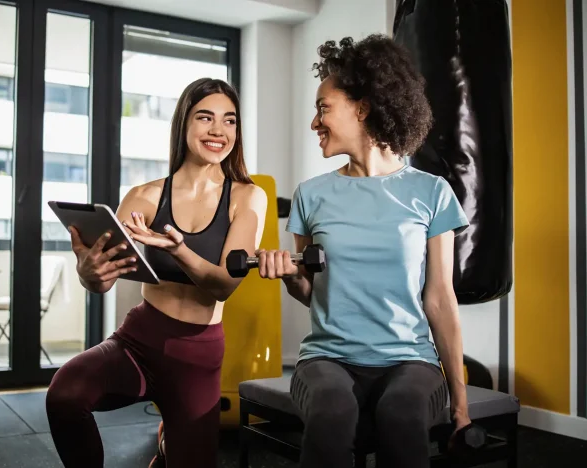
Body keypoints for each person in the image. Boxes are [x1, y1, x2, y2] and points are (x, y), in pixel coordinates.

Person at [256, 35, 471, 468]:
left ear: (364, 107)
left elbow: (440, 298)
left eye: (323, 108)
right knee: (333, 412)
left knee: (402, 414)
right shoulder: (310, 195)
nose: (314, 123)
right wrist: (288, 276)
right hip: (327, 358)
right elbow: (311, 289)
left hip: (410, 359)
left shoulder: (431, 192)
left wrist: (461, 406)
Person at [45, 77, 268, 468]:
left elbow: (224, 285)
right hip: (140, 340)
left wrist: (178, 249)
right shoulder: (144, 197)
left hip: (198, 355)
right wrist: (89, 271)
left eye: (229, 121)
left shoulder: (247, 197)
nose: (219, 130)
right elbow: (101, 280)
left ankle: (167, 450)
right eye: (205, 117)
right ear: (184, 124)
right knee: (65, 394)